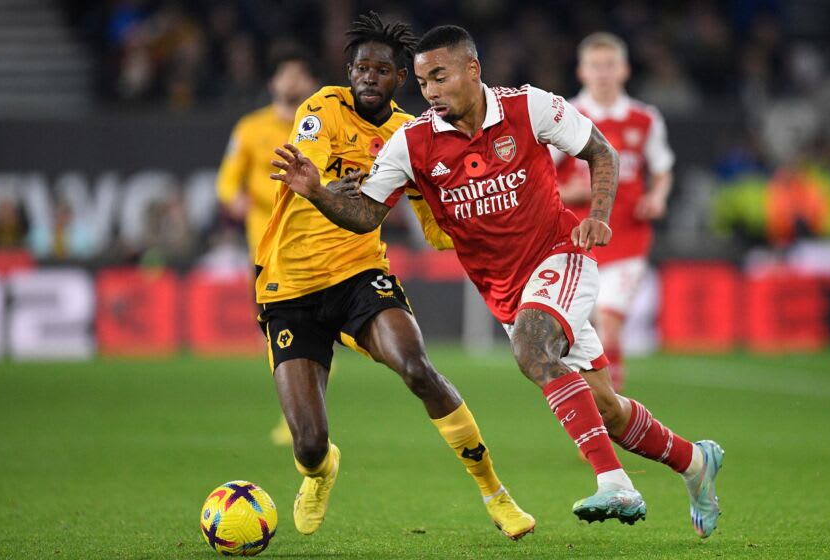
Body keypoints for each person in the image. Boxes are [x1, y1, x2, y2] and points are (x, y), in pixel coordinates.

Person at [272, 24, 724, 538]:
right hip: (504, 290)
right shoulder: (411, 143)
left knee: (532, 350)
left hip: (560, 255)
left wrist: (598, 216)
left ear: (473, 69)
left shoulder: (529, 107)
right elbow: (366, 215)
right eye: (423, 82)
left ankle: (614, 482)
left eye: (440, 77)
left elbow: (602, 151)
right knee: (607, 409)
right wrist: (317, 192)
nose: (431, 91)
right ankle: (695, 462)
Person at [259, 13, 535, 540]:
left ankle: (494, 491)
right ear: (349, 73)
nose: (369, 77)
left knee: (416, 367)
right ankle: (320, 471)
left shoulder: (409, 136)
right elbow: (310, 171)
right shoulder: (322, 107)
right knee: (309, 444)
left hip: (359, 274)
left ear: (400, 78)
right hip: (289, 284)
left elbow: (436, 227)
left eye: (381, 70)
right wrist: (320, 187)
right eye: (361, 68)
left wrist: (491, 223)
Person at [556, 33, 675, 392]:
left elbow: (662, 169)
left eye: (610, 65)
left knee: (609, 323)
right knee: (580, 332)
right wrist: (567, 192)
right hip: (576, 240)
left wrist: (657, 197)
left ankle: (612, 408)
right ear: (582, 71)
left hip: (627, 238)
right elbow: (539, 176)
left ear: (624, 70)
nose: (603, 73)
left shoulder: (644, 118)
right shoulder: (565, 115)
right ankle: (594, 402)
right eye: (595, 66)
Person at [216, 48, 320, 445]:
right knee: (276, 334)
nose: (292, 81)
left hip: (313, 242)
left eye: (299, 74)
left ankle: (303, 414)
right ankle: (295, 410)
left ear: (311, 84)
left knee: (314, 329)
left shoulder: (320, 127)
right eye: (286, 74)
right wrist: (233, 198)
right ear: (274, 82)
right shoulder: (250, 128)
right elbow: (228, 178)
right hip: (264, 248)